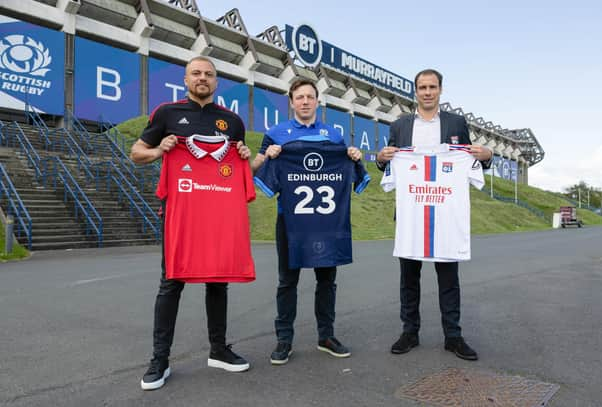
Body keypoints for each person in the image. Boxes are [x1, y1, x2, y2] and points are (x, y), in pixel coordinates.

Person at [131, 56, 253, 390]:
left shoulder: (232, 121)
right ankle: (160, 360)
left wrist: (243, 155)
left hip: (217, 213)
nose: (203, 78)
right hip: (181, 213)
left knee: (218, 280)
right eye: (196, 73)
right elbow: (136, 152)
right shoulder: (166, 114)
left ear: (217, 82)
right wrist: (160, 151)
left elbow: (241, 168)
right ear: (186, 80)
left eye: (209, 74)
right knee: (172, 282)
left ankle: (218, 349)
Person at [375, 68, 492, 361]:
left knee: (449, 279)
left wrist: (486, 155)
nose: (427, 92)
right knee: (409, 278)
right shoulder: (400, 125)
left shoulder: (456, 123)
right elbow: (388, 164)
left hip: (446, 216)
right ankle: (409, 331)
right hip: (411, 214)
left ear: (441, 90)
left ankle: (453, 336)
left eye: (432, 87)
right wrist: (380, 159)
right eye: (422, 87)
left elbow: (470, 159)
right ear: (414, 91)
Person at [251, 79, 362, 365]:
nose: (304, 101)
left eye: (310, 97)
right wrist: (267, 157)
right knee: (287, 281)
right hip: (289, 221)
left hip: (326, 222)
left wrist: (352, 155)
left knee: (327, 281)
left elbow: (345, 165)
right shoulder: (275, 133)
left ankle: (326, 335)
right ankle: (283, 340)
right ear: (291, 101)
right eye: (299, 97)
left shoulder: (333, 136)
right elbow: (257, 168)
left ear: (317, 101)